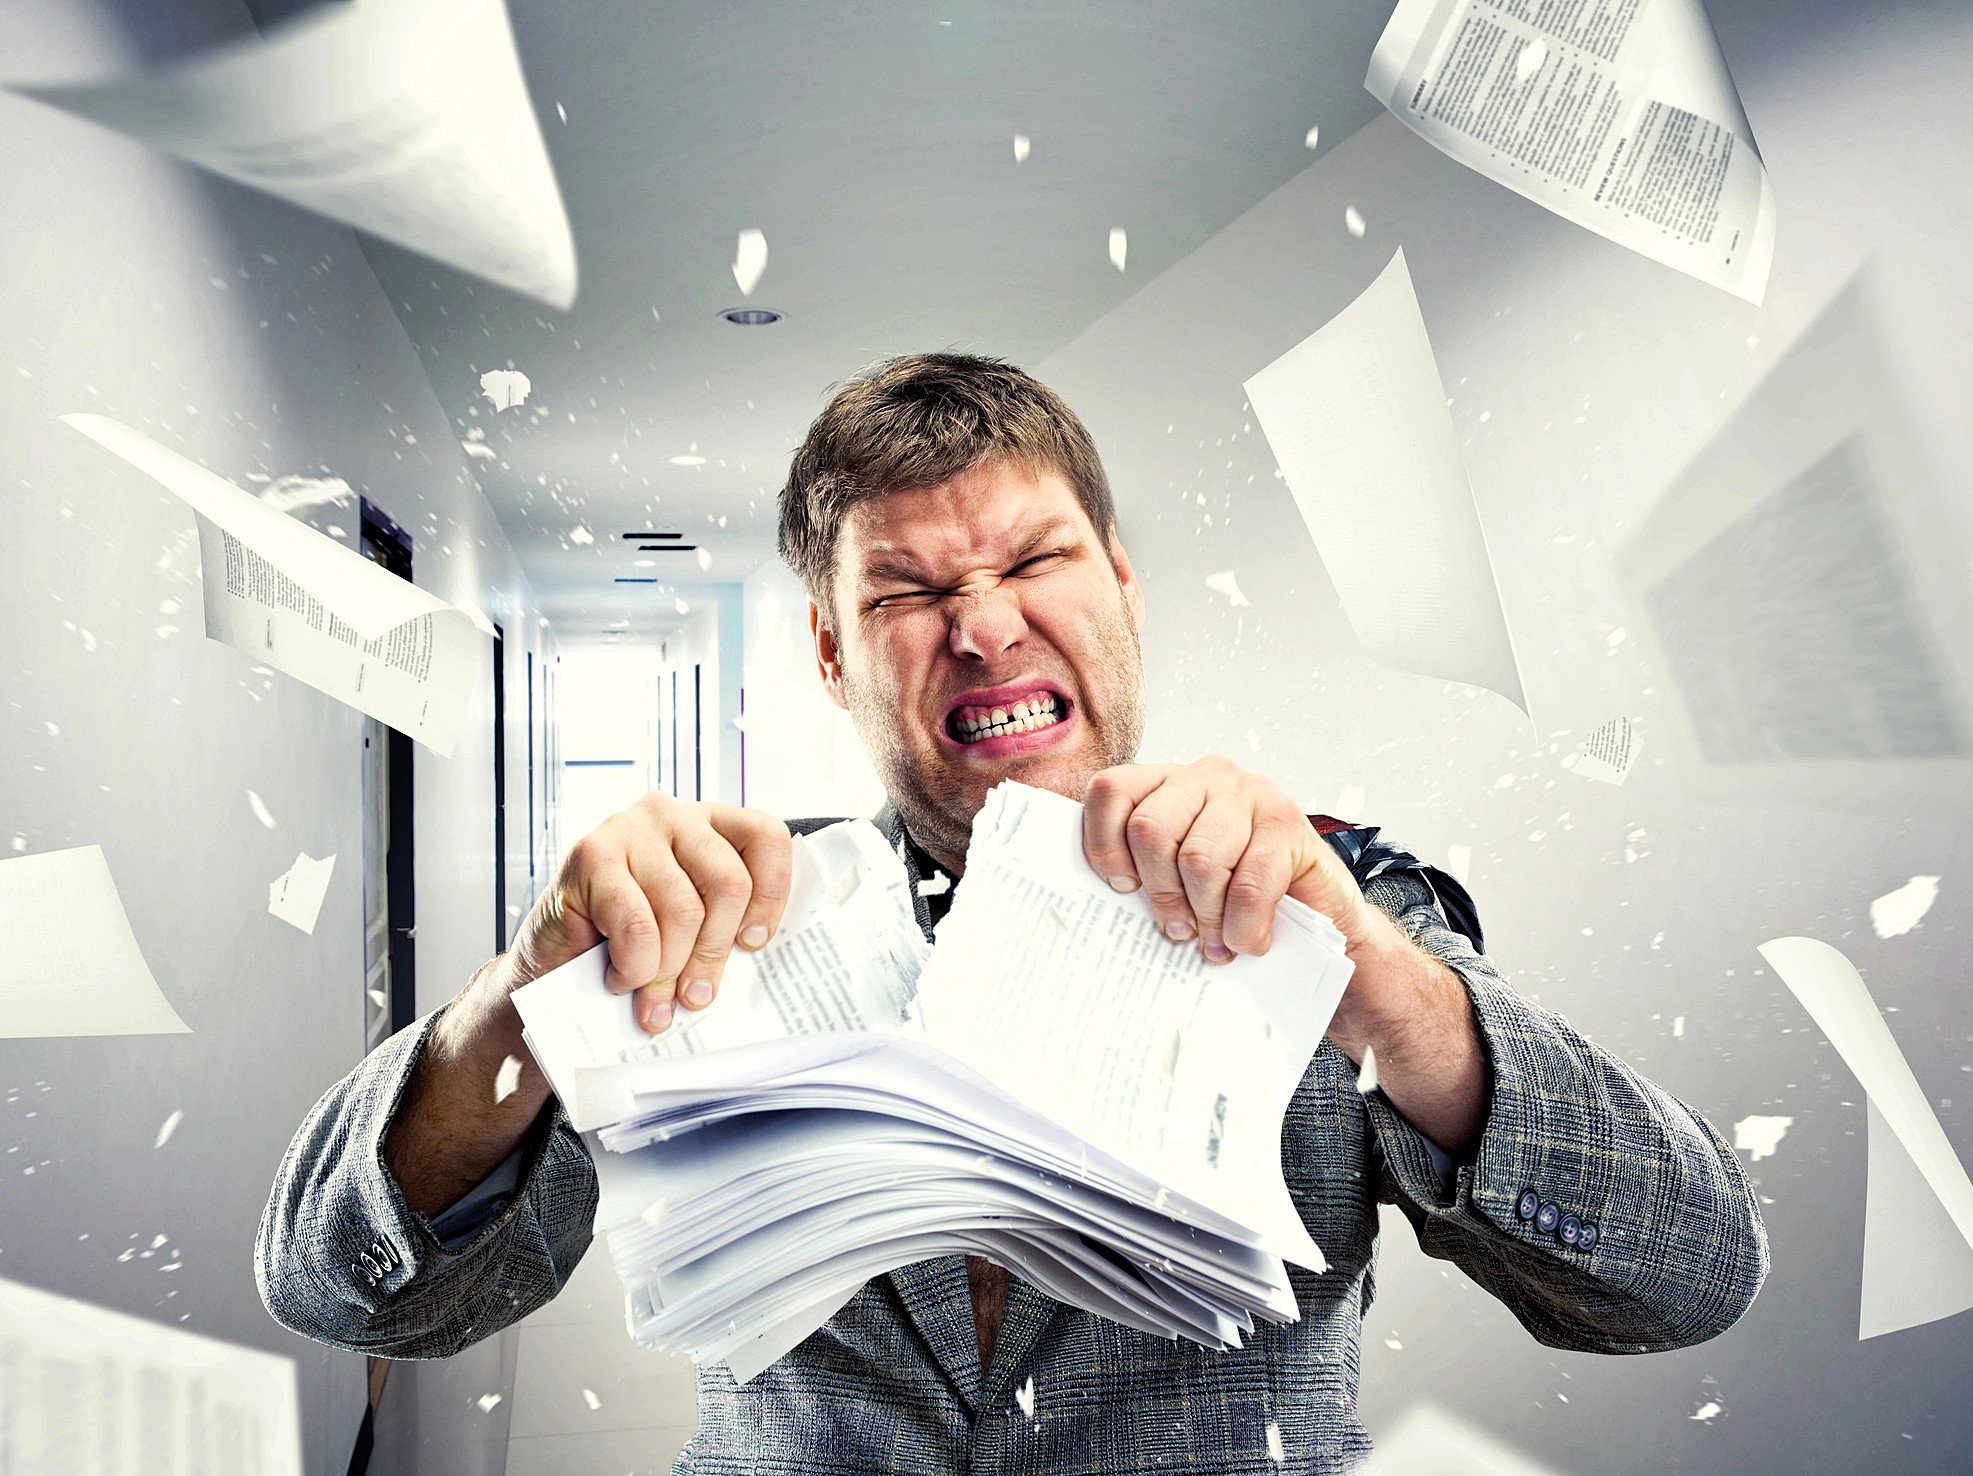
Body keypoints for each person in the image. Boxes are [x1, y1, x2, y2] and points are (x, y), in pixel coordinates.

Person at [257, 353, 1767, 1473]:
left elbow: (1683, 1279)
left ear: (1118, 582)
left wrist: (1374, 977)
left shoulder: (1335, 907)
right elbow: (340, 1286)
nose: (984, 626)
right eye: (905, 592)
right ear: (836, 657)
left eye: (1035, 559)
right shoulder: (729, 933)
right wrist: (522, 995)